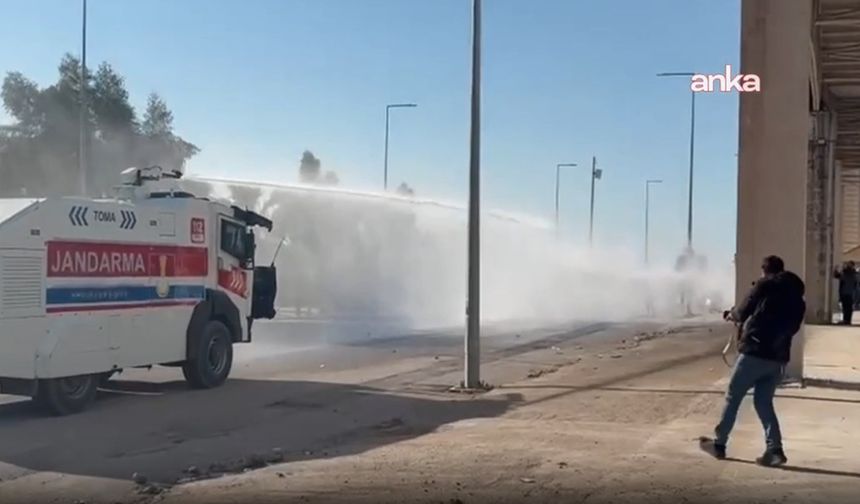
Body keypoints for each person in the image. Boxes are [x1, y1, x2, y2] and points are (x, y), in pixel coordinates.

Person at [699, 255, 805, 467]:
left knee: (733, 396)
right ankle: (774, 449)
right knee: (763, 402)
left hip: (755, 352)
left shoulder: (764, 286)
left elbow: (742, 311)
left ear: (764, 271)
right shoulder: (797, 297)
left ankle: (719, 444)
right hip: (778, 357)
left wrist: (732, 315)